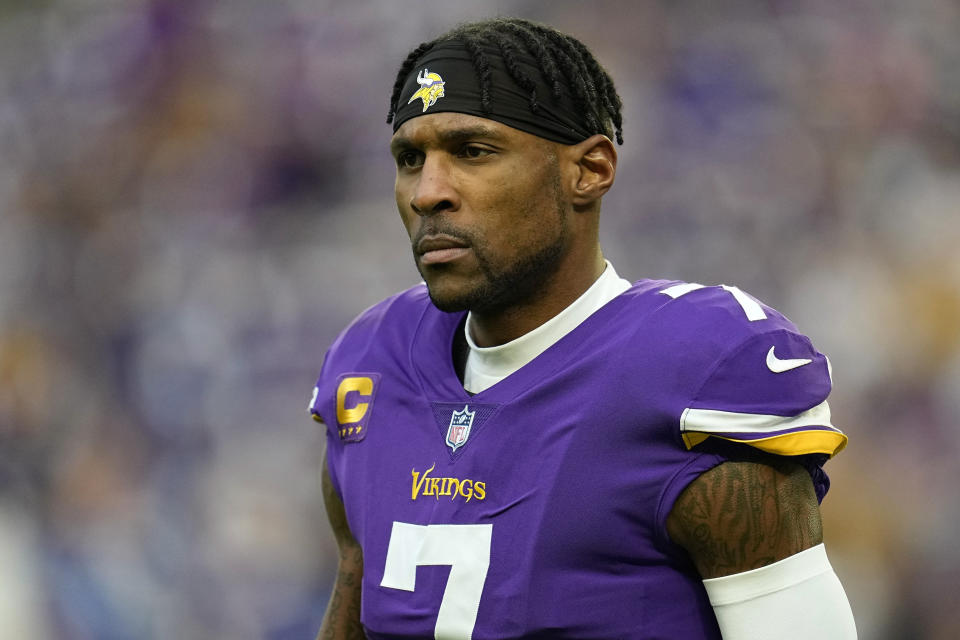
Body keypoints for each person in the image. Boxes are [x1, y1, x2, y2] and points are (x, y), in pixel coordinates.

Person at [308, 17, 857, 640]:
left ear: (589, 170)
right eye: (411, 159)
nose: (428, 192)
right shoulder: (371, 362)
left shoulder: (690, 371)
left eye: (472, 151)